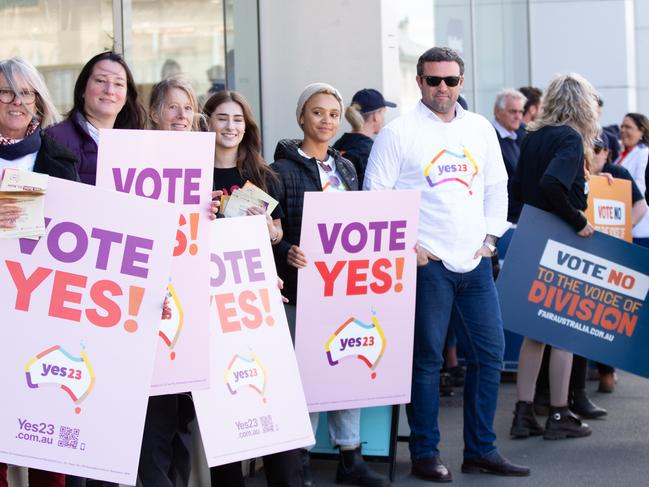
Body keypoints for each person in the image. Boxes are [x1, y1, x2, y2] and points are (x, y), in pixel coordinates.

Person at [365, 46, 529, 481]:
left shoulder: (478, 129)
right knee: (427, 362)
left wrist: (490, 239)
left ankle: (480, 450)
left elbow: (497, 187)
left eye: (451, 81)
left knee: (490, 356)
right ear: (418, 82)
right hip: (426, 265)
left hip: (474, 263)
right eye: (433, 80)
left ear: (461, 83)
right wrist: (408, 249)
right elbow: (375, 197)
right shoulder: (398, 133)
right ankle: (425, 454)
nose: (443, 88)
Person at [270, 83, 390, 487]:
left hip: (344, 289)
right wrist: (287, 249)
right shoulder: (280, 171)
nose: (326, 121)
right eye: (317, 112)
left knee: (348, 367)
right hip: (302, 291)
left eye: (333, 114)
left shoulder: (346, 168)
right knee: (308, 375)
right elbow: (268, 232)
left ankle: (350, 458)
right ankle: (299, 462)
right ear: (302, 116)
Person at [203, 90, 307, 487]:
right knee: (223, 414)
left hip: (257, 305)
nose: (231, 127)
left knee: (273, 402)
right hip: (212, 306)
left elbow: (276, 246)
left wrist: (276, 237)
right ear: (208, 122)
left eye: (238, 120)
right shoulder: (192, 176)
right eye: (222, 118)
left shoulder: (265, 178)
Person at [0, 56, 79, 487]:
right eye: (7, 91)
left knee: (47, 440)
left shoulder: (59, 159)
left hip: (45, 313)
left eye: (26, 92)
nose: (17, 101)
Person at [509, 72, 600, 441]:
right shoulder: (570, 138)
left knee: (536, 333)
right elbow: (552, 183)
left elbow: (520, 189)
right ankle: (560, 414)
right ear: (582, 104)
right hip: (559, 237)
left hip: (531, 233)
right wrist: (577, 219)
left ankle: (523, 412)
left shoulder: (532, 137)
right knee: (565, 332)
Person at [136, 75, 202, 487]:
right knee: (156, 415)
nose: (180, 115)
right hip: (148, 298)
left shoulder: (203, 160)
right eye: (172, 107)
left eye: (188, 107)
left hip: (193, 296)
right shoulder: (136, 156)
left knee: (183, 415)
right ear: (156, 113)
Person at [46, 51, 146, 185]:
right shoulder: (56, 139)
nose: (110, 90)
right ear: (82, 89)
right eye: (100, 80)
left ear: (127, 96)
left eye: (119, 84)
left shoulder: (138, 144)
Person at [332, 88, 396, 185]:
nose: (384, 118)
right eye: (383, 112)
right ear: (375, 116)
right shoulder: (372, 151)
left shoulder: (339, 143)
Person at [613, 112, 649, 247]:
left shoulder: (644, 154)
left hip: (641, 227)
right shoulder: (621, 155)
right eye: (622, 127)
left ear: (642, 131)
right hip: (623, 223)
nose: (623, 130)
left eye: (628, 127)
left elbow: (641, 187)